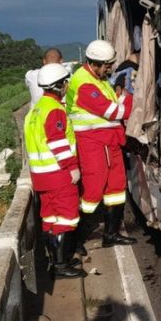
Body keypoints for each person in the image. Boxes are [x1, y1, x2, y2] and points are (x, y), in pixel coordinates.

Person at [66, 39, 136, 248]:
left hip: (109, 142)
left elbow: (114, 102)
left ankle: (111, 234)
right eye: (107, 65)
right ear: (94, 63)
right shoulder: (85, 84)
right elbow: (114, 111)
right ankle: (76, 239)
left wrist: (123, 97)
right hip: (93, 144)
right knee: (92, 192)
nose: (110, 69)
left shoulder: (99, 79)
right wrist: (135, 99)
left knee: (116, 187)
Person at [23, 63, 86, 279]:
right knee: (66, 218)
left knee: (49, 218)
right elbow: (58, 142)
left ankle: (54, 261)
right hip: (58, 175)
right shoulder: (55, 110)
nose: (67, 86)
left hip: (41, 177)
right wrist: (72, 167)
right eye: (65, 82)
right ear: (59, 85)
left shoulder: (35, 110)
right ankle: (61, 265)